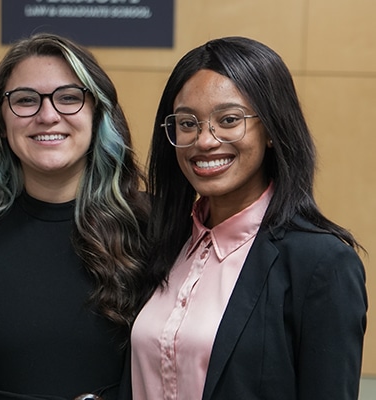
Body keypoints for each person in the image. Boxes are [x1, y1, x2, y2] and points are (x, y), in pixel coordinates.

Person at [131, 36, 367, 400]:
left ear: (271, 129)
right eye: (187, 123)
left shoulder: (321, 263)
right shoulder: (160, 240)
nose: (205, 140)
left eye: (228, 119)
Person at [0, 33, 149, 400]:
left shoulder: (154, 225)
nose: (48, 116)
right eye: (26, 100)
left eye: (68, 98)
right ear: (1, 117)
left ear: (97, 113)